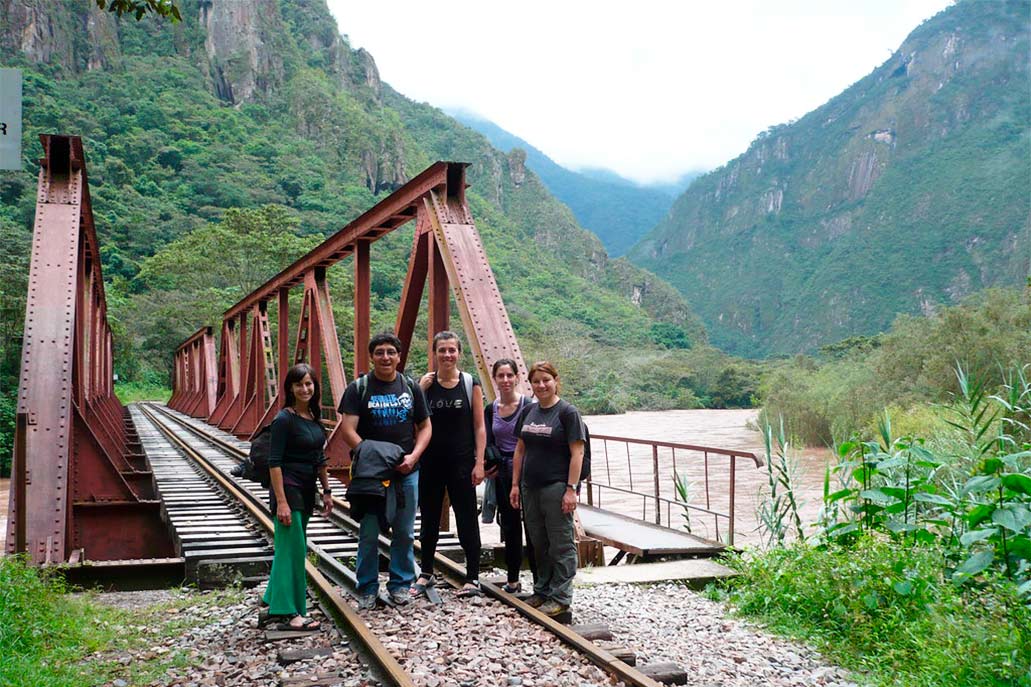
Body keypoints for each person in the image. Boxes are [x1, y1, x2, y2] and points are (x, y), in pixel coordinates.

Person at [338, 332, 431, 609]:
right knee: (368, 530)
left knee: (404, 531)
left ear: (399, 356)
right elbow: (347, 429)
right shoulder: (359, 388)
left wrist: (414, 457)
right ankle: (367, 587)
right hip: (371, 475)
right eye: (380, 352)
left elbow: (425, 426)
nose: (386, 357)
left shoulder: (410, 387)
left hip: (406, 470)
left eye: (391, 352)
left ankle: (400, 585)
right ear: (372, 356)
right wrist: (370, 457)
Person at [509, 361, 585, 617]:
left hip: (556, 487)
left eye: (546, 380)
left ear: (555, 381)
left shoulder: (567, 413)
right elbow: (520, 449)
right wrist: (515, 484)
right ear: (530, 384)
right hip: (530, 487)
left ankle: (561, 596)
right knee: (537, 542)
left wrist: (571, 489)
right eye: (536, 381)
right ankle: (542, 590)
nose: (541, 386)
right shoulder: (528, 412)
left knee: (560, 543)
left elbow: (578, 453)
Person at [414, 331, 487, 597]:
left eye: (452, 350)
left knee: (467, 518)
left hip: (462, 462)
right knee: (429, 520)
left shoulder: (469, 383)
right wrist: (419, 389)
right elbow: (411, 420)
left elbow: (479, 426)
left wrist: (479, 463)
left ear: (459, 353)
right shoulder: (424, 385)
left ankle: (473, 577)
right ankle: (426, 573)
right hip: (431, 462)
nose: (447, 355)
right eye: (442, 350)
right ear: (434, 353)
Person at [264, 363, 333, 630]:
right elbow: (274, 462)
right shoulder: (285, 419)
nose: (305, 389)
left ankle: (273, 599)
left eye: (309, 384)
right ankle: (291, 612)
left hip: (306, 491)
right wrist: (281, 501)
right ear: (290, 388)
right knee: (294, 550)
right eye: (299, 384)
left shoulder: (313, 419)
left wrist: (327, 491)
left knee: (289, 548)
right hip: (288, 490)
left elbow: (320, 459)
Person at [484, 358, 534, 593]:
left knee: (534, 525)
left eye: (509, 375)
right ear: (494, 379)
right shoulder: (490, 409)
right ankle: (513, 579)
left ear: (517, 377)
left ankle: (540, 578)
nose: (505, 380)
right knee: (511, 525)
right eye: (500, 376)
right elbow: (486, 441)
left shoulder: (529, 406)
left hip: (528, 470)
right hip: (503, 472)